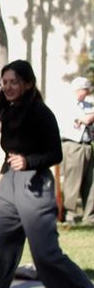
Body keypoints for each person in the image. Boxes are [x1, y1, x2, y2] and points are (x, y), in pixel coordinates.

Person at [0, 60, 94, 288]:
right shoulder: (9, 111)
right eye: (4, 82)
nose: (8, 87)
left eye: (13, 82)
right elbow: (9, 156)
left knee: (45, 255)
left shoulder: (41, 113)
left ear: (27, 84)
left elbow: (55, 154)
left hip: (35, 184)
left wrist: (28, 161)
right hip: (10, 185)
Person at [59, 76, 94, 225]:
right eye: (85, 89)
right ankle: (70, 215)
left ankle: (89, 216)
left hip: (87, 145)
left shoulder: (89, 105)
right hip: (73, 146)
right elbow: (86, 120)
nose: (87, 92)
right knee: (72, 182)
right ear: (78, 90)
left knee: (90, 183)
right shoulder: (67, 104)